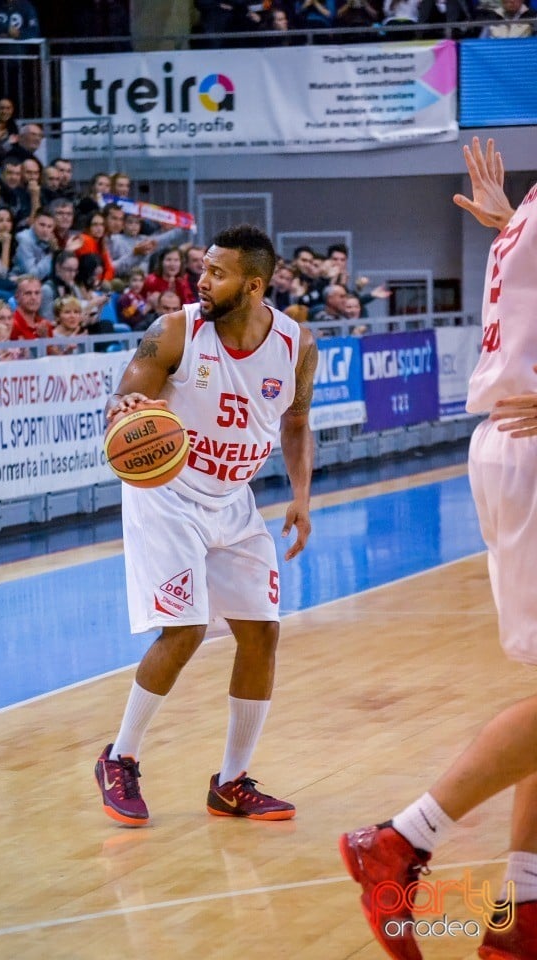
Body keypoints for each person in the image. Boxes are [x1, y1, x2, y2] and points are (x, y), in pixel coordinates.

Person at [339, 136, 537, 960]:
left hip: (510, 440)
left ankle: (524, 912)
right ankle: (400, 840)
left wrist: (507, 228)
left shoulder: (529, 212)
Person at [94, 224, 316, 827]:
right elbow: (123, 400)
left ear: (253, 285)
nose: (202, 278)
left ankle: (232, 783)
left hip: (233, 499)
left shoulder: (296, 344)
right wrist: (129, 409)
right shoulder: (174, 330)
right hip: (165, 494)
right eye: (203, 267)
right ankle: (120, 757)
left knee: (262, 632)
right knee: (185, 629)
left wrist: (300, 496)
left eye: (217, 272)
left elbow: (295, 423)